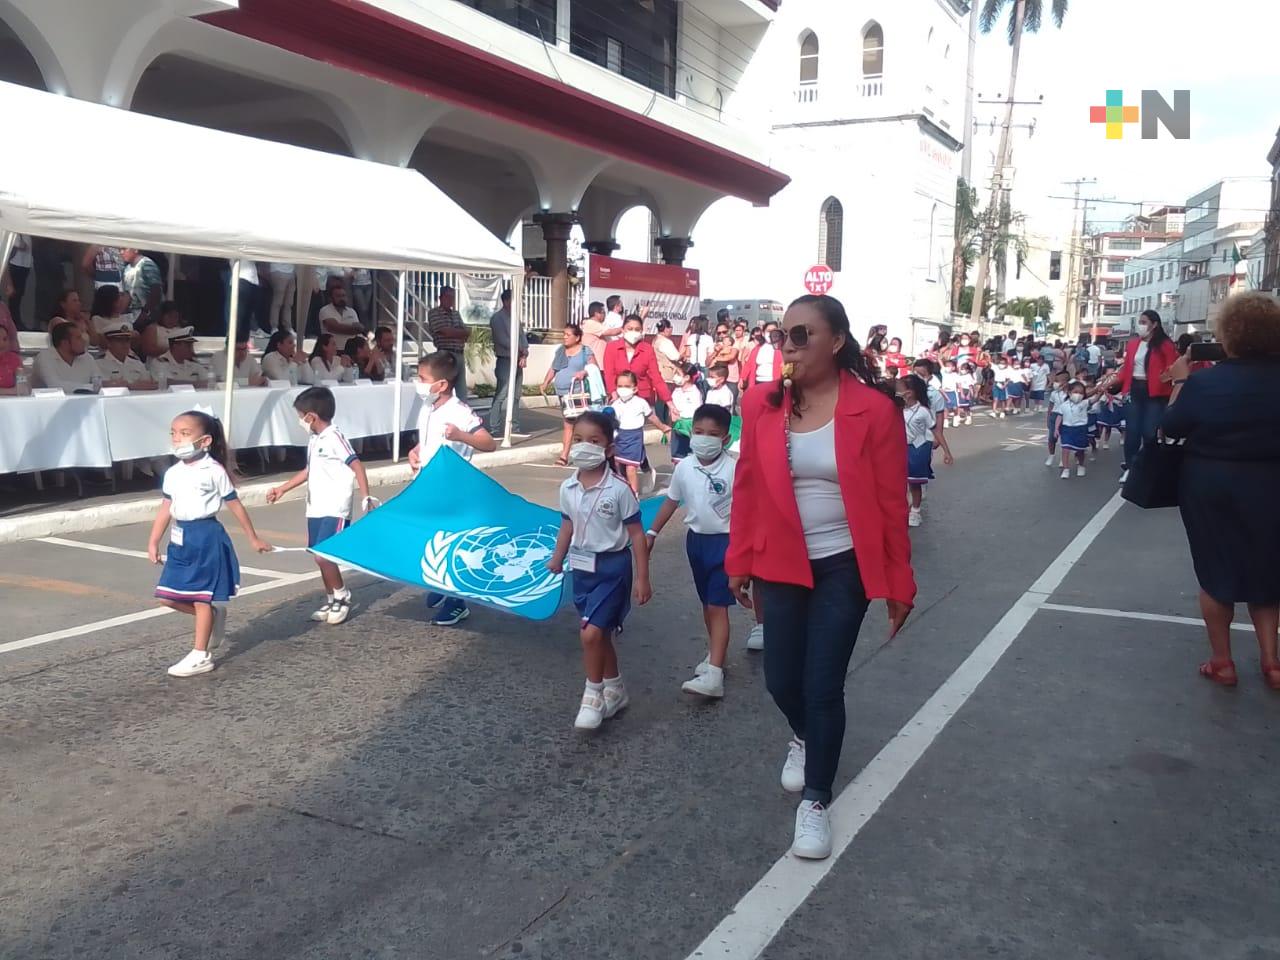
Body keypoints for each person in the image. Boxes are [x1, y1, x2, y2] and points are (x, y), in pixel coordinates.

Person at [725, 294, 915, 860]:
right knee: (781, 679)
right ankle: (805, 735)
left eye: (803, 335)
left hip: (844, 563)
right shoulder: (762, 402)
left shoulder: (874, 410)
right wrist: (739, 560)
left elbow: (891, 504)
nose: (789, 346)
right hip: (780, 561)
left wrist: (899, 583)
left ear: (836, 342)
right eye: (783, 335)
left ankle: (815, 801)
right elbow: (748, 487)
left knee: (823, 682)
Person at [1159, 292, 1280, 690]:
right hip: (1271, 484)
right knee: (1268, 571)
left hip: (1211, 483)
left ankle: (1223, 661)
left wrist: (1181, 380)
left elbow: (1171, 427)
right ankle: (1272, 661)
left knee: (1215, 570)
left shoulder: (1205, 383)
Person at [547, 410, 651, 730]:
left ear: (608, 449)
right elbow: (567, 525)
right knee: (599, 633)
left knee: (590, 633)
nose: (584, 446)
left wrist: (643, 578)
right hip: (582, 567)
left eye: (593, 441)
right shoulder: (568, 487)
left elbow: (637, 535)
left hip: (612, 568)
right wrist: (557, 557)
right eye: (578, 439)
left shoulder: (619, 489)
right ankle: (615, 689)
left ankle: (593, 695)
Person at [147, 410, 272, 677]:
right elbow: (166, 507)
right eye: (173, 433)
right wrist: (153, 540)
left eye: (185, 433)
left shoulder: (213, 470)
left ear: (204, 441)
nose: (177, 439)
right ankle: (212, 616)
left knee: (201, 596)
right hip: (180, 537)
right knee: (167, 597)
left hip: (206, 536)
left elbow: (235, 505)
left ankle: (200, 654)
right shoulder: (173, 472)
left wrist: (253, 537)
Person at [645, 403, 737, 698]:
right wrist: (652, 532)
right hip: (697, 542)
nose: (704, 438)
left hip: (727, 542)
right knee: (707, 603)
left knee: (717, 606)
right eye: (698, 432)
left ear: (725, 439)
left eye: (712, 434)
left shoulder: (735, 468)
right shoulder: (685, 467)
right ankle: (715, 656)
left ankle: (714, 675)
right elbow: (672, 501)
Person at [267, 386, 376, 625]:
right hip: (316, 506)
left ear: (311, 416)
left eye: (300, 416)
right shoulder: (314, 439)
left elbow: (356, 465)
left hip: (335, 506)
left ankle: (342, 596)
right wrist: (283, 488)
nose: (299, 421)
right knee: (317, 553)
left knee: (324, 556)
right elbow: (309, 470)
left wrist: (365, 496)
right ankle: (331, 598)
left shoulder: (335, 437)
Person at [408, 350, 498, 626]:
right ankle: (440, 584)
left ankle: (457, 603)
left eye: (423, 379)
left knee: (450, 544)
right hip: (428, 485)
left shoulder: (459, 411)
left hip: (452, 488)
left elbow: (488, 443)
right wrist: (416, 451)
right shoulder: (428, 407)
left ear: (442, 384)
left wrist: (461, 435)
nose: (419, 384)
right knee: (430, 539)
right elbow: (429, 439)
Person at [1115, 309, 1179, 484]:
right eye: (1140, 322)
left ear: (1154, 324)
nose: (1141, 325)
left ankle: (1148, 467)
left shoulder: (1165, 344)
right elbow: (1126, 369)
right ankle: (1130, 467)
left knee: (1149, 433)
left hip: (1155, 392)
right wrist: (1111, 385)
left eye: (1144, 322)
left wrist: (1164, 377)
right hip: (1134, 389)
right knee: (1132, 432)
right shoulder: (1133, 344)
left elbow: (1173, 367)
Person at [541, 323, 595, 466]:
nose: (564, 337)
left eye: (568, 335)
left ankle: (578, 453)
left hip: (578, 393)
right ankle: (566, 455)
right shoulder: (560, 350)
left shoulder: (585, 351)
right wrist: (546, 382)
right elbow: (554, 368)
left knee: (579, 423)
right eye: (563, 334)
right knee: (569, 423)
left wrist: (584, 372)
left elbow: (593, 368)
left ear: (577, 337)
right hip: (563, 393)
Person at [610, 369, 672, 494]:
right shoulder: (614, 405)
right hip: (620, 437)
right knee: (621, 467)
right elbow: (611, 423)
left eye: (627, 386)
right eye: (620, 386)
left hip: (635, 436)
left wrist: (663, 427)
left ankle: (634, 494)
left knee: (631, 468)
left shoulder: (640, 403)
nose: (623, 389)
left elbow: (652, 417)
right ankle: (629, 485)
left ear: (635, 389)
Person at [602, 314, 673, 411]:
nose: (633, 332)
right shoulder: (611, 347)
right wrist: (614, 393)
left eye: (637, 329)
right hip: (618, 397)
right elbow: (609, 374)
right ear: (622, 330)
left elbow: (656, 377)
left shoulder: (647, 349)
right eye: (630, 329)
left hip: (642, 398)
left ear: (641, 331)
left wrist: (669, 402)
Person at [489, 288, 528, 438]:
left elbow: (523, 337)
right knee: (501, 394)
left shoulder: (515, 317)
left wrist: (524, 353)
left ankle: (515, 427)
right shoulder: (497, 318)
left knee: (516, 396)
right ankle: (494, 427)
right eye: (513, 301)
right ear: (506, 301)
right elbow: (502, 340)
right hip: (505, 359)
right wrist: (519, 348)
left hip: (518, 359)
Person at [899, 373, 934, 528]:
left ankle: (915, 511)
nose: (899, 391)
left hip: (918, 448)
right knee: (900, 481)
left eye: (902, 389)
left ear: (911, 392)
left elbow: (933, 428)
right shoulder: (896, 407)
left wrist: (942, 447)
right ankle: (904, 507)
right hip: (899, 447)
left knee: (914, 482)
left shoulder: (923, 410)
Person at [426, 285, 470, 401]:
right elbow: (445, 332)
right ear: (441, 298)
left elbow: (466, 332)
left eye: (452, 297)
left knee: (461, 390)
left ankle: (462, 410)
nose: (450, 300)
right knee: (445, 387)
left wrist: (456, 332)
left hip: (459, 353)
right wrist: (458, 333)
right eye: (448, 297)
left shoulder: (456, 314)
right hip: (445, 354)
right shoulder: (434, 313)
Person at [32, 322, 101, 392]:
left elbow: (98, 381)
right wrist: (91, 387)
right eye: (78, 338)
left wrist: (95, 385)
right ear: (65, 343)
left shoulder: (87, 357)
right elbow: (54, 386)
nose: (84, 341)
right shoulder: (44, 357)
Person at [911, 358, 954, 467]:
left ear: (930, 377)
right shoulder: (905, 393)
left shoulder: (934, 395)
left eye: (921, 375)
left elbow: (939, 417)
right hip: (906, 440)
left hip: (925, 440)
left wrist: (938, 439)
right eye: (915, 374)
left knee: (919, 472)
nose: (917, 377)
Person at [97, 320, 159, 389]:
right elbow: (101, 386)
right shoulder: (99, 364)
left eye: (127, 340)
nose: (124, 344)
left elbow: (152, 384)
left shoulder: (137, 363)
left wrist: (130, 385)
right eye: (119, 340)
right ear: (109, 343)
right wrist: (131, 386)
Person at [1053, 379, 1092, 479]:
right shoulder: (1064, 405)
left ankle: (1081, 465)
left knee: (1080, 450)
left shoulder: (1084, 403)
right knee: (1065, 449)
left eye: (1081, 393)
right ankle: (1066, 469)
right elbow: (1059, 417)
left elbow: (1094, 399)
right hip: (1067, 429)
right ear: (1070, 393)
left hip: (1080, 429)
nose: (1078, 395)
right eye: (1075, 392)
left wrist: (1101, 391)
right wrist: (1056, 428)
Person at [668, 362, 703, 464]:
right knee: (677, 456)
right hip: (676, 426)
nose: (676, 376)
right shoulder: (676, 391)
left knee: (690, 456)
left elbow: (696, 412)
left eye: (678, 374)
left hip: (688, 428)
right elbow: (671, 407)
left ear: (687, 377)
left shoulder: (695, 393)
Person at [319, 278, 366, 352]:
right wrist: (353, 329)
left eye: (343, 296)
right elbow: (334, 327)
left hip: (351, 351)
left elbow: (359, 329)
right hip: (333, 351)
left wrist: (355, 329)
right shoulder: (325, 310)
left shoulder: (351, 311)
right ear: (331, 298)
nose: (342, 298)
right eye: (338, 296)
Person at [741, 322, 784, 391]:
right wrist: (742, 378)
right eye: (769, 331)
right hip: (758, 383)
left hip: (774, 384)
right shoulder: (757, 349)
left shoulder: (781, 348)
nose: (771, 333)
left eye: (774, 330)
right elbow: (748, 365)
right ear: (763, 333)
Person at [120, 248, 163, 315]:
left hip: (147, 314)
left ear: (135, 249)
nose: (121, 252)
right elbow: (127, 294)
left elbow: (156, 290)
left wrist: (145, 312)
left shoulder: (147, 264)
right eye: (120, 250)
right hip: (131, 314)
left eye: (124, 249)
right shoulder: (126, 268)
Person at [581, 300, 621, 365]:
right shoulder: (591, 323)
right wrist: (624, 328)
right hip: (595, 363)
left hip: (601, 362)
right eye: (603, 312)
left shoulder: (598, 325)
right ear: (596, 314)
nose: (604, 315)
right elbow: (611, 332)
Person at [1043, 371, 1069, 468]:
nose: (1055, 383)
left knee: (1064, 439)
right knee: (1051, 438)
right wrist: (1048, 418)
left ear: (1065, 382)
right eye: (1055, 381)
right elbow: (1050, 406)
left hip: (1066, 417)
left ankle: (1063, 459)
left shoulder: (1070, 393)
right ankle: (1051, 455)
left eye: (1058, 381)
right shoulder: (1054, 393)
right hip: (1054, 416)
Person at [7, 233, 32, 324]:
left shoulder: (26, 233)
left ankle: (16, 320)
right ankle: (14, 321)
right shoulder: (15, 232)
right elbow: (21, 246)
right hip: (15, 265)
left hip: (25, 265)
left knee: (19, 295)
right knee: (14, 296)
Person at [268, 262, 297, 332]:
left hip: (291, 272)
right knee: (278, 301)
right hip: (278, 269)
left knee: (289, 303)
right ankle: (274, 327)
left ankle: (288, 327)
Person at [0, 326, 26, 394]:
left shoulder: (14, 359)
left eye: (5, 339)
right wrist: (12, 391)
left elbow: (23, 388)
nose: (2, 343)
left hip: (12, 400)